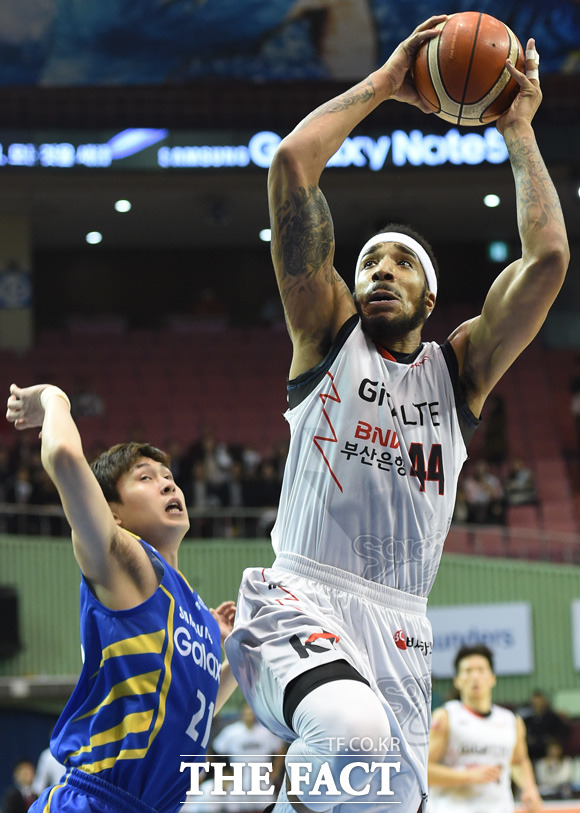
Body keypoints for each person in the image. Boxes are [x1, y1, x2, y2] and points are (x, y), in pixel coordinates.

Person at [223, 14, 569, 813]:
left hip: (403, 631)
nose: (379, 270)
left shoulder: (462, 371)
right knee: (350, 730)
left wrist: (517, 126)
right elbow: (291, 170)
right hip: (301, 598)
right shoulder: (326, 335)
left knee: (380, 795)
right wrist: (386, 82)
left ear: (433, 295)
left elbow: (548, 258)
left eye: (400, 262)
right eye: (369, 259)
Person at [5, 382, 237, 813]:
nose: (168, 486)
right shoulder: (126, 561)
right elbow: (64, 457)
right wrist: (55, 398)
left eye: (169, 478)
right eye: (146, 479)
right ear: (112, 512)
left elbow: (191, 713)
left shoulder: (194, 610)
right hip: (91, 802)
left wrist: (240, 656)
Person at [428, 644, 542, 812]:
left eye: (481, 670)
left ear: (492, 677)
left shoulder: (511, 721)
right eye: (468, 671)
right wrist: (467, 776)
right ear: (457, 680)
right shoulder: (446, 717)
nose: (475, 676)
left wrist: (530, 788)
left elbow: (518, 761)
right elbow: (424, 771)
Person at [211, 703, 287, 812]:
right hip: (238, 781)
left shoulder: (266, 732)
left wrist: (275, 771)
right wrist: (223, 774)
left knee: (267, 809)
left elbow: (280, 749)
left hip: (261, 781)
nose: (250, 715)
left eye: (252, 713)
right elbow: (215, 752)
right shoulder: (231, 732)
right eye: (247, 712)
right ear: (242, 713)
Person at [518, 690, 571, 762]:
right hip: (531, 748)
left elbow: (563, 731)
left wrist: (552, 739)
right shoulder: (527, 719)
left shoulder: (553, 717)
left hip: (547, 747)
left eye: (539, 702)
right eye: (535, 703)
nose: (537, 705)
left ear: (545, 703)